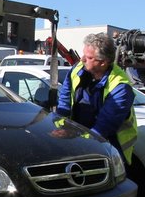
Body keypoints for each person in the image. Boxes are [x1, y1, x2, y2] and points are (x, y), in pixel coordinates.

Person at [54, 32, 137, 165]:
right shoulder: (78, 69)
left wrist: (76, 140)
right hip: (79, 140)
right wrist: (61, 125)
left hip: (109, 148)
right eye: (84, 55)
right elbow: (64, 100)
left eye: (88, 57)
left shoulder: (120, 88)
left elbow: (103, 128)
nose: (82, 59)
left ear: (103, 62)